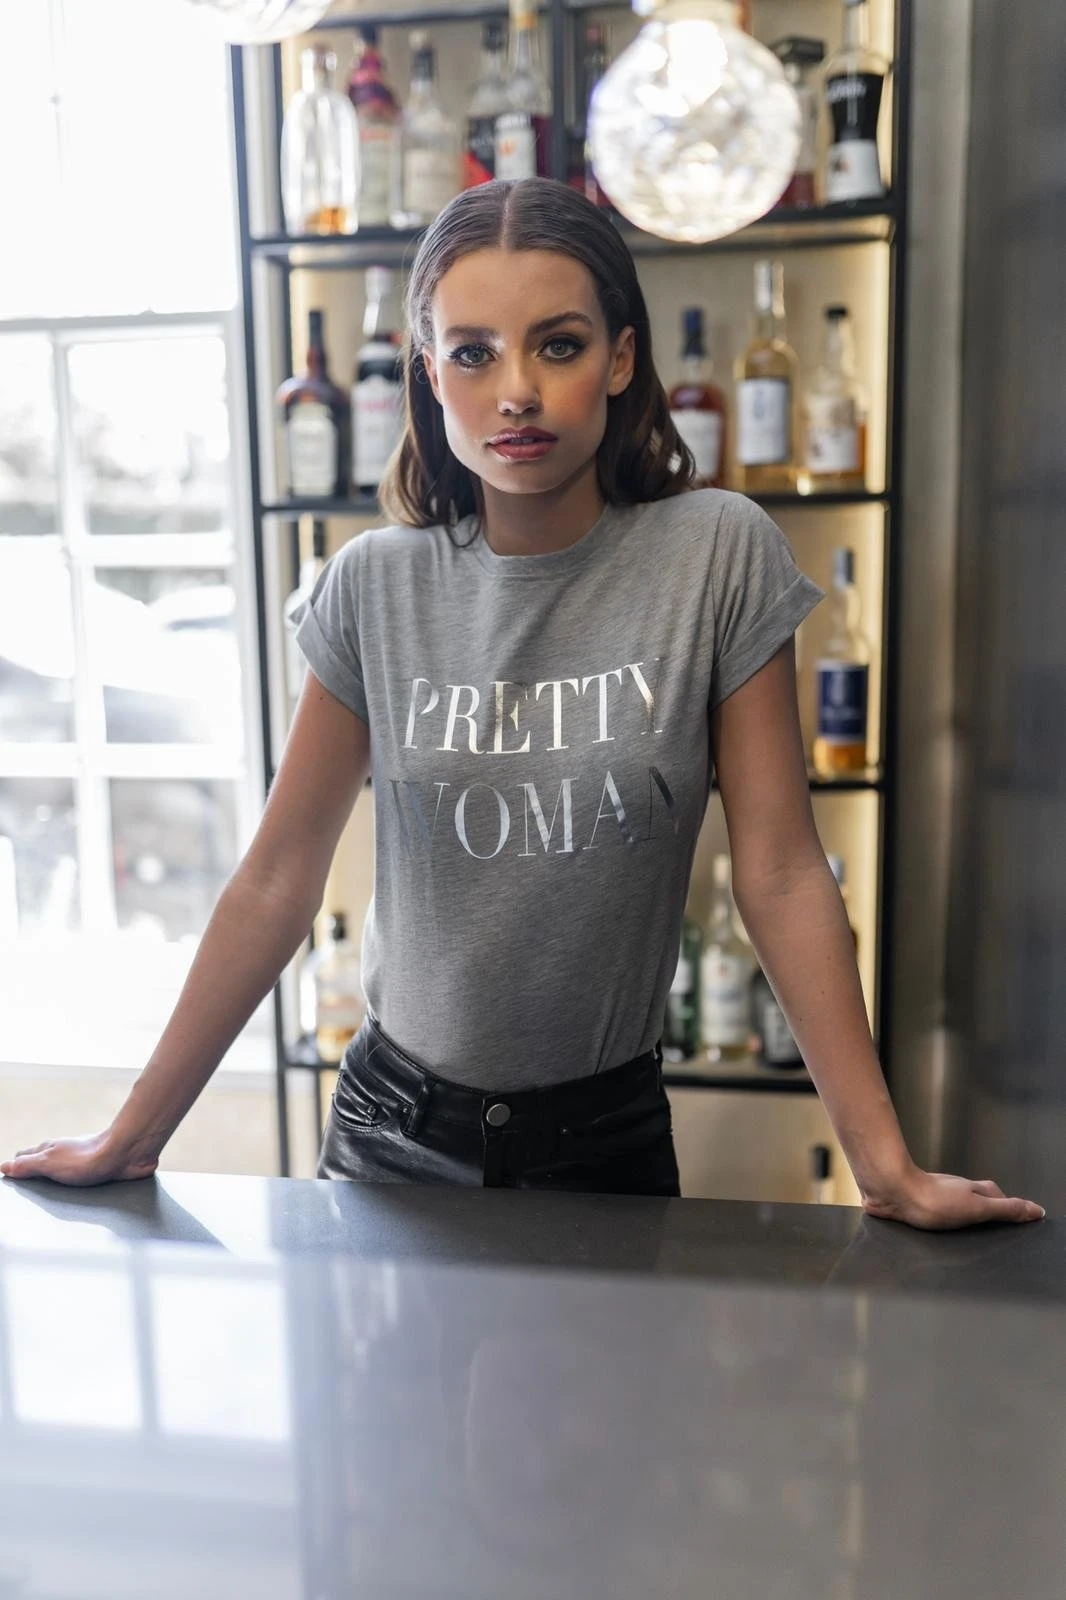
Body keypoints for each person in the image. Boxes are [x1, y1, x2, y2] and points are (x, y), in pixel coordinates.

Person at [1, 179, 1044, 1233]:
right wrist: (132, 1135)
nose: (516, 392)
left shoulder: (717, 555)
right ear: (428, 373)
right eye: (472, 353)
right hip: (389, 1136)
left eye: (558, 345)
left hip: (605, 1142)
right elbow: (276, 880)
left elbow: (779, 872)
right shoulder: (372, 586)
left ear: (621, 359)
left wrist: (884, 1167)